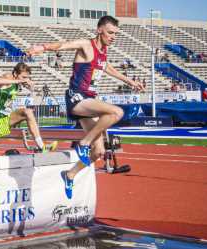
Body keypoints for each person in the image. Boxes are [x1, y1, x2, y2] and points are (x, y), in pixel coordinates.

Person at [27, 15, 143, 199]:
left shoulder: (103, 52)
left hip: (89, 101)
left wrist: (130, 81)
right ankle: (83, 143)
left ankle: (70, 174)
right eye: (110, 33)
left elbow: (108, 68)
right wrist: (41, 48)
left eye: (115, 34)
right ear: (99, 30)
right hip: (76, 98)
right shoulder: (86, 45)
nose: (113, 37)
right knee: (116, 111)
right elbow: (63, 45)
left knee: (99, 152)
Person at [0, 63, 57, 157]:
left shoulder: (19, 84)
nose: (25, 79)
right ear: (15, 73)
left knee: (28, 112)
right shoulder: (9, 77)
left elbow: (10, 101)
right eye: (23, 77)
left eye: (27, 77)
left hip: (6, 117)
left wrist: (31, 88)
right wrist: (19, 81)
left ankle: (41, 146)